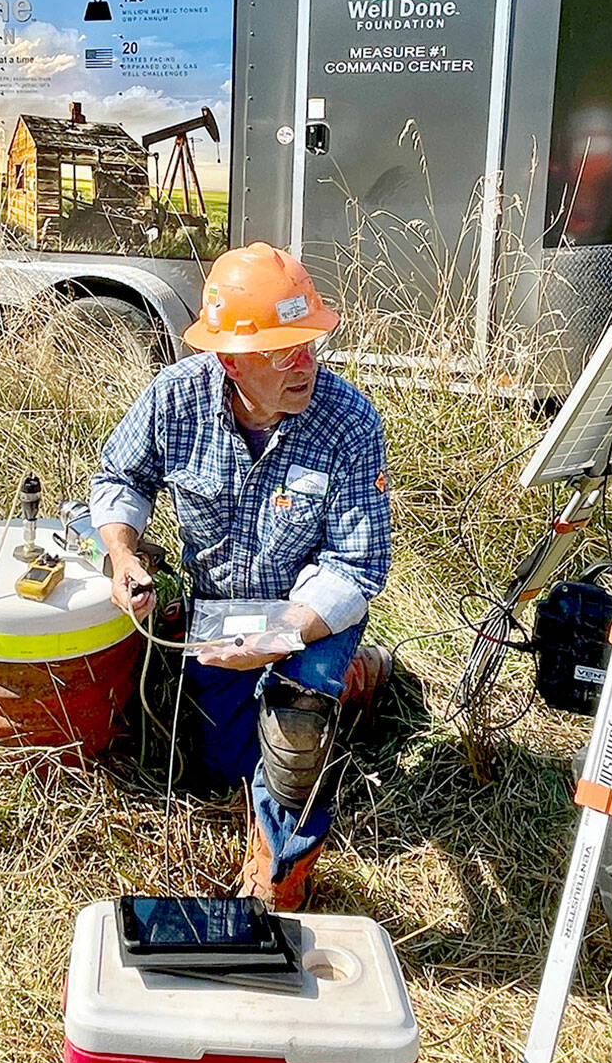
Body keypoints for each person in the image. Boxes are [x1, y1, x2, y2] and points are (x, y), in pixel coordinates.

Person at [90, 242, 391, 910]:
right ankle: (364, 676)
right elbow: (120, 477)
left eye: (310, 341)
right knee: (224, 767)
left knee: (295, 716)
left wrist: (287, 631)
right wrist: (123, 554)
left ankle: (280, 869)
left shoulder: (349, 419)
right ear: (229, 360)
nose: (306, 363)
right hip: (220, 608)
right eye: (284, 350)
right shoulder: (175, 398)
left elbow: (356, 564)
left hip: (310, 612)